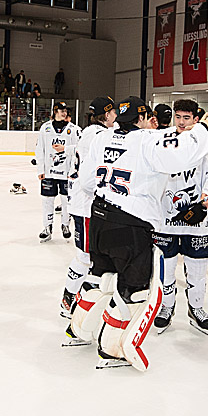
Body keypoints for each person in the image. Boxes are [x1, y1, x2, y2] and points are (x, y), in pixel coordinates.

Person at [67, 97, 208, 371]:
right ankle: (112, 349)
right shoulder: (148, 140)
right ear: (142, 117)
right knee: (133, 291)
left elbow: (86, 182)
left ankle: (77, 330)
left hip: (99, 217)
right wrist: (201, 129)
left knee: (100, 279)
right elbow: (183, 154)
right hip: (130, 226)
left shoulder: (102, 138)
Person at [152, 99, 208, 336]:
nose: (181, 122)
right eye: (178, 117)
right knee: (166, 268)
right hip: (166, 220)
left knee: (197, 270)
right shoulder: (163, 139)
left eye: (187, 118)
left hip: (196, 219)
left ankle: (197, 308)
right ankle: (166, 307)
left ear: (196, 118)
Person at [59, 96, 116, 328]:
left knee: (92, 256)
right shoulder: (99, 135)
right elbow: (89, 178)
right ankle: (69, 298)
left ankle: (78, 296)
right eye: (113, 113)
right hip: (87, 207)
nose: (116, 117)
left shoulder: (91, 131)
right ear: (106, 114)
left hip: (88, 205)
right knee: (85, 256)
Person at [34, 102, 79, 242]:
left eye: (65, 110)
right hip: (49, 172)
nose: (64, 113)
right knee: (47, 200)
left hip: (66, 173)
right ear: (55, 111)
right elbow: (39, 149)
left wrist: (74, 171)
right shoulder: (45, 128)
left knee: (66, 200)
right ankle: (47, 227)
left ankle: (65, 225)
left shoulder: (74, 129)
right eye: (61, 110)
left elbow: (78, 150)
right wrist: (40, 169)